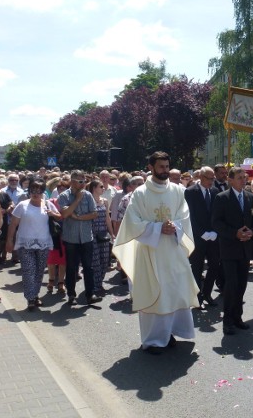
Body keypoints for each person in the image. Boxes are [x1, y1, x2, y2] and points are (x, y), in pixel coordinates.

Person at [113, 151, 199, 354]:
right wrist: (158, 228)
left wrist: (175, 227)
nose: (165, 171)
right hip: (151, 252)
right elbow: (133, 223)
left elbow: (184, 216)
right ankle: (153, 340)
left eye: (167, 167)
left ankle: (170, 332)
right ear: (151, 167)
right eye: (161, 167)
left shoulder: (177, 191)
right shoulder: (141, 193)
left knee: (175, 292)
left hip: (173, 251)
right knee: (155, 294)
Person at [212, 166, 253, 335]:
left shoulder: (250, 198)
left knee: (241, 285)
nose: (243, 180)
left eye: (244, 177)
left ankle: (238, 317)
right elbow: (216, 222)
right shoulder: (221, 198)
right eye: (239, 177)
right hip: (229, 248)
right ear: (230, 180)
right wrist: (234, 233)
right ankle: (228, 321)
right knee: (231, 285)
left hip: (245, 248)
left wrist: (252, 232)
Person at [6, 178, 62, 311]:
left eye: (38, 191)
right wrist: (9, 240)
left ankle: (35, 295)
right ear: (29, 191)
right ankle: (30, 298)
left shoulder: (47, 204)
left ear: (43, 192)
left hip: (43, 243)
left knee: (39, 272)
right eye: (33, 191)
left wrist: (52, 213)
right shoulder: (22, 205)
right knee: (28, 271)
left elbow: (59, 216)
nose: (35, 193)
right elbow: (13, 224)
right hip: (25, 244)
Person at [58, 170, 102, 306]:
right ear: (72, 182)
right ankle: (71, 293)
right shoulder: (64, 195)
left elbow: (94, 214)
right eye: (81, 181)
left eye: (84, 181)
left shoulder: (88, 195)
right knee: (71, 267)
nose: (84, 184)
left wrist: (78, 217)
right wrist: (77, 200)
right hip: (71, 238)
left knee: (88, 267)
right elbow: (65, 213)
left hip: (86, 237)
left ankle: (91, 294)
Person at [184, 166, 220, 309]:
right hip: (198, 237)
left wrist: (215, 232)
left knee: (214, 266)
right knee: (197, 268)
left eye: (213, 178)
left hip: (213, 237)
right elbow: (189, 216)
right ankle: (197, 296)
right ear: (201, 177)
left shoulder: (216, 191)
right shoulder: (190, 192)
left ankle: (207, 293)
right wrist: (201, 233)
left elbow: (218, 214)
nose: (212, 181)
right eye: (209, 178)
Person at [88, 179, 115, 297]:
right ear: (94, 188)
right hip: (92, 233)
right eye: (101, 187)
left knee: (105, 260)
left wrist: (112, 233)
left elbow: (107, 219)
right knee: (95, 261)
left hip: (103, 233)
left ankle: (99, 282)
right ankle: (96, 285)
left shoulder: (104, 201)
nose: (103, 189)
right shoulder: (89, 201)